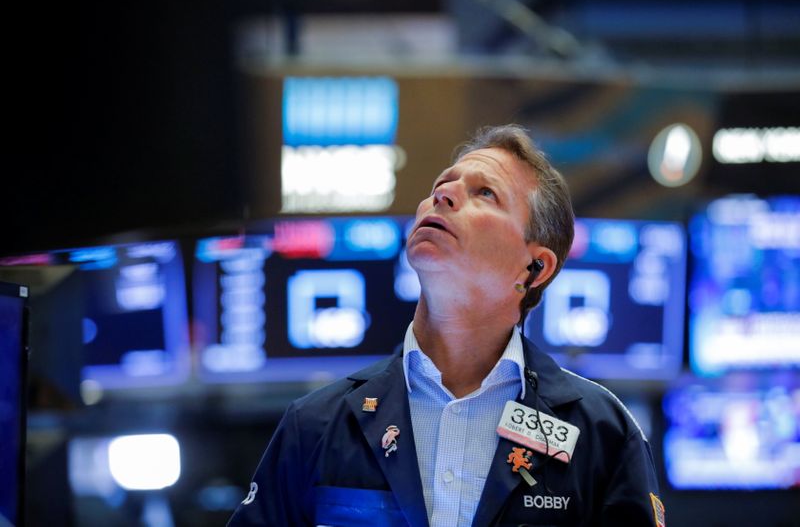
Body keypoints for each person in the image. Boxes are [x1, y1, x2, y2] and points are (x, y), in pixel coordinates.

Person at [228, 124, 664, 527]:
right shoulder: (316, 425)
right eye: (441, 186)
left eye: (485, 193)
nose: (443, 197)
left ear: (535, 265)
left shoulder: (602, 433)